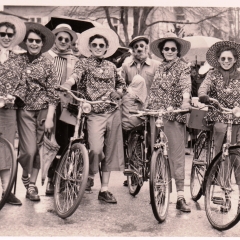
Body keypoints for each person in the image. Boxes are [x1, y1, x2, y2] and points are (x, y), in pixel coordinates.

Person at [62, 27, 126, 204]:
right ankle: (90, 174)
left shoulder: (112, 66)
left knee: (110, 151)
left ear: (106, 48)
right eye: (95, 45)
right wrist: (68, 84)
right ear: (90, 47)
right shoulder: (83, 63)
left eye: (101, 45)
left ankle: (104, 189)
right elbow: (75, 76)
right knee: (96, 149)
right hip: (93, 112)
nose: (98, 47)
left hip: (112, 111)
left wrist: (118, 92)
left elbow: (122, 84)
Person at [148, 32, 192, 212]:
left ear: (178, 51)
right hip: (156, 113)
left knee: (176, 155)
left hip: (174, 114)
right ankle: (160, 189)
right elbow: (154, 89)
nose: (170, 51)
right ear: (161, 51)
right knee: (157, 153)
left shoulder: (183, 66)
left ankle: (181, 196)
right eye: (166, 48)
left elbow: (185, 85)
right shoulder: (159, 67)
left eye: (173, 49)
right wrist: (147, 107)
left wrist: (185, 100)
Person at [17, 22, 59, 201]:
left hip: (44, 110)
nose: (34, 43)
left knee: (40, 149)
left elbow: (52, 92)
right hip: (24, 110)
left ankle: (32, 185)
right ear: (25, 42)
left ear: (42, 44)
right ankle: (25, 173)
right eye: (30, 40)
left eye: (37, 41)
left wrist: (50, 116)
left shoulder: (48, 64)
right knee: (29, 150)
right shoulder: (17, 60)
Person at [198, 41, 240, 208]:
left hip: (238, 117)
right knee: (223, 153)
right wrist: (204, 96)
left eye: (229, 58)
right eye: (223, 58)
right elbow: (203, 89)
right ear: (218, 59)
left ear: (235, 60)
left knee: (237, 155)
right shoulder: (212, 74)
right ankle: (223, 189)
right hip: (219, 115)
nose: (226, 61)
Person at [43, 24, 79, 196]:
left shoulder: (76, 59)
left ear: (71, 42)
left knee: (66, 141)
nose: (64, 42)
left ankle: (61, 176)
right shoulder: (45, 56)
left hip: (68, 106)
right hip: (48, 104)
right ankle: (49, 178)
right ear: (55, 39)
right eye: (60, 38)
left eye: (67, 39)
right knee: (51, 142)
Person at [120, 36, 160, 186]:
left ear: (146, 48)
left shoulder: (156, 65)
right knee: (133, 139)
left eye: (141, 46)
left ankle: (153, 170)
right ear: (132, 50)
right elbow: (120, 85)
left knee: (152, 140)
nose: (139, 49)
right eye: (136, 47)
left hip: (151, 107)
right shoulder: (126, 66)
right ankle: (134, 171)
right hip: (132, 109)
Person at [0, 14, 26, 206]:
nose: (6, 37)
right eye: (2, 34)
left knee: (7, 147)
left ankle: (6, 190)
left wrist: (13, 96)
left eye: (10, 35)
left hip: (8, 109)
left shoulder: (18, 59)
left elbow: (23, 83)